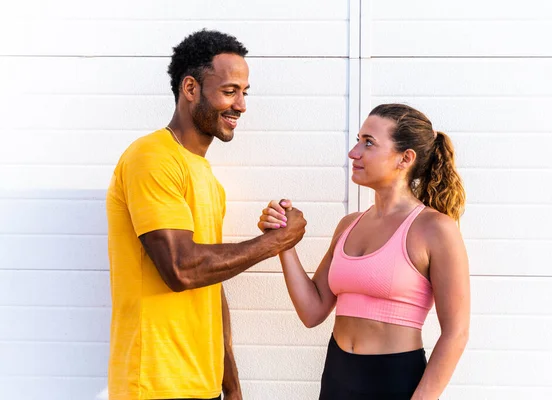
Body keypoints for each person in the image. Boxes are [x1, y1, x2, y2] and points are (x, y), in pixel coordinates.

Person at [106, 29, 306, 400]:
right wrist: (276, 240)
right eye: (230, 91)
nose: (241, 105)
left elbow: (210, 284)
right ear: (190, 88)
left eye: (245, 93)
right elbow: (182, 269)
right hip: (155, 384)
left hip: (202, 383)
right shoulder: (152, 157)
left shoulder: (207, 178)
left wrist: (229, 381)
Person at [258, 104, 470, 399]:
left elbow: (456, 333)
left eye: (368, 142)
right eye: (358, 140)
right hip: (337, 375)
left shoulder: (435, 229)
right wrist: (283, 243)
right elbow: (312, 311)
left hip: (396, 381)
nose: (354, 152)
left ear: (405, 158)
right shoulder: (348, 225)